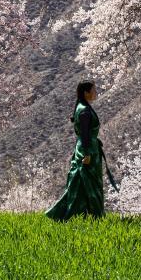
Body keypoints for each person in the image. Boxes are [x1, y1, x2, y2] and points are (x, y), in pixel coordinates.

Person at [45, 79, 117, 221]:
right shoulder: (84, 110)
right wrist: (87, 154)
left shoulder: (82, 106)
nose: (96, 92)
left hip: (89, 148)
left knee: (84, 183)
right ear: (86, 93)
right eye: (94, 90)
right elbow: (84, 134)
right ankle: (90, 215)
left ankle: (87, 216)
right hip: (88, 150)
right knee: (88, 183)